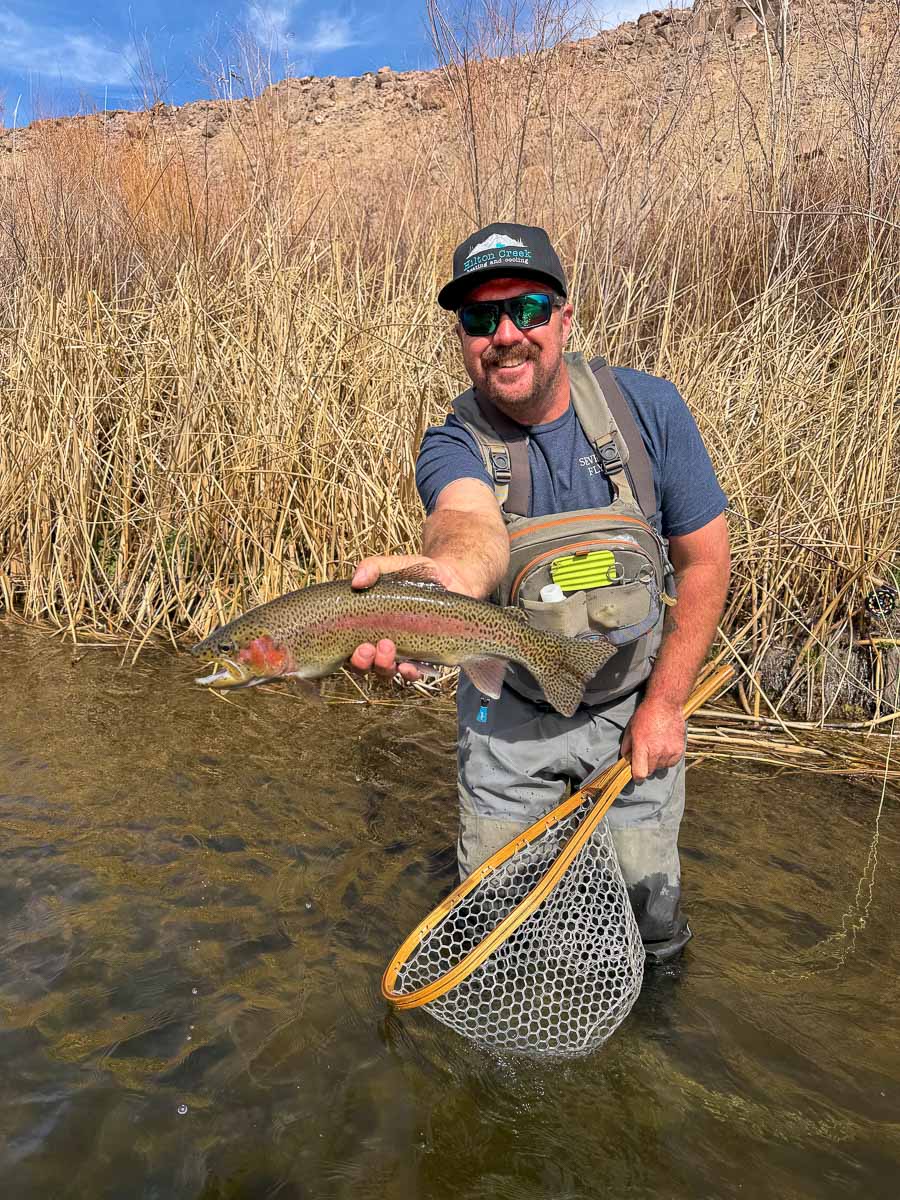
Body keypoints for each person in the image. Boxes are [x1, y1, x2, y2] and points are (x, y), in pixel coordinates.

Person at [350, 223, 730, 963]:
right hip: (509, 718)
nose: (504, 335)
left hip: (632, 705)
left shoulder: (648, 410)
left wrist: (665, 702)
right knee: (499, 935)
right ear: (462, 337)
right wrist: (445, 584)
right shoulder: (453, 441)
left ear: (564, 315)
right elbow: (466, 528)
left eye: (524, 309)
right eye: (479, 318)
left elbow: (707, 563)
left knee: (648, 929)